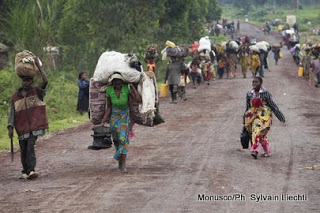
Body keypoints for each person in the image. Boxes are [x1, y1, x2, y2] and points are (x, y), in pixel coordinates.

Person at [7, 57, 48, 180]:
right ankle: (25, 171)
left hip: (34, 126)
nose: (25, 83)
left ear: (31, 81)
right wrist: (10, 126)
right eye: (24, 81)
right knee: (23, 148)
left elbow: (45, 81)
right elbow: (12, 112)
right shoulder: (15, 96)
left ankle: (31, 170)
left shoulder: (37, 91)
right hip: (21, 127)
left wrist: (39, 66)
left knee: (30, 146)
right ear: (21, 82)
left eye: (28, 81)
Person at [100, 74, 142, 173]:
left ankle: (123, 164)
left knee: (123, 140)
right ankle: (120, 161)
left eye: (119, 81)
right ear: (112, 82)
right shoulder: (109, 90)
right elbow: (109, 107)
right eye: (115, 81)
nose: (117, 83)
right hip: (114, 118)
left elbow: (138, 100)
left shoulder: (126, 89)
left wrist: (132, 87)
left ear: (122, 82)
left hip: (124, 117)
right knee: (117, 141)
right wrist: (102, 122)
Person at [244, 77, 285, 159]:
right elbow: (248, 107)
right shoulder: (249, 93)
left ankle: (255, 150)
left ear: (261, 83)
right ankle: (267, 151)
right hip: (254, 116)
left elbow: (272, 105)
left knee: (259, 132)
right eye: (253, 82)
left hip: (265, 115)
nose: (254, 84)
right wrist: (245, 117)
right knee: (258, 132)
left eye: (256, 82)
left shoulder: (265, 93)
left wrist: (280, 116)